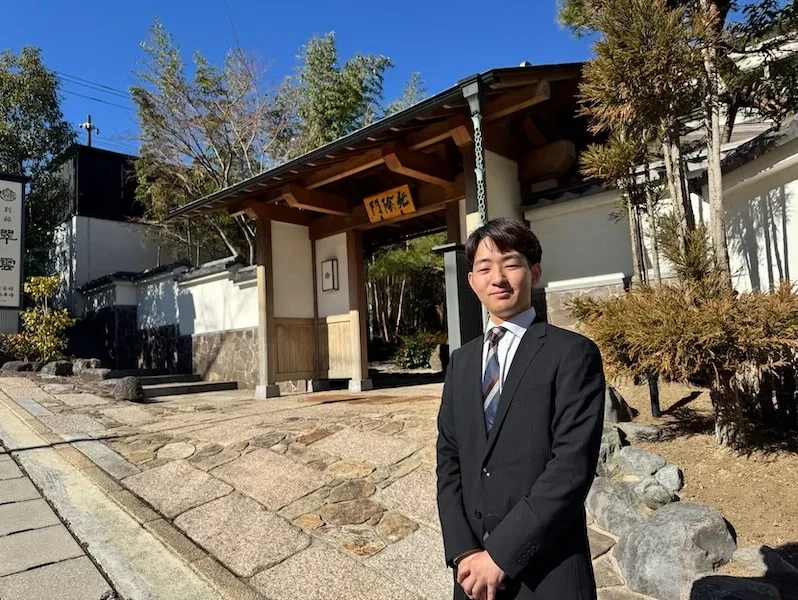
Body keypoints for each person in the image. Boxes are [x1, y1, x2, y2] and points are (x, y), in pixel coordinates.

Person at [436, 218, 605, 600]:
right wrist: (464, 553)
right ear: (472, 281)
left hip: (548, 571)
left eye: (511, 264)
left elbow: (570, 469)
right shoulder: (461, 362)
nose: (498, 278)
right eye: (484, 268)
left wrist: (499, 556)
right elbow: (449, 461)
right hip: (472, 577)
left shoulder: (571, 354)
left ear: (535, 272)